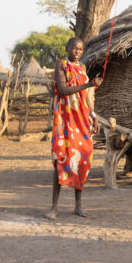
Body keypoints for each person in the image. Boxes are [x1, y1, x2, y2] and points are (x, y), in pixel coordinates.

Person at [45, 37, 102, 220]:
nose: (77, 51)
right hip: (65, 118)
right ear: (67, 48)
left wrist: (93, 116)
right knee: (61, 159)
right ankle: (54, 208)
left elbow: (86, 97)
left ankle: (78, 205)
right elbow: (63, 90)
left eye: (80, 49)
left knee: (83, 158)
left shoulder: (83, 68)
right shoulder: (61, 64)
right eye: (74, 48)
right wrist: (89, 84)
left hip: (82, 118)